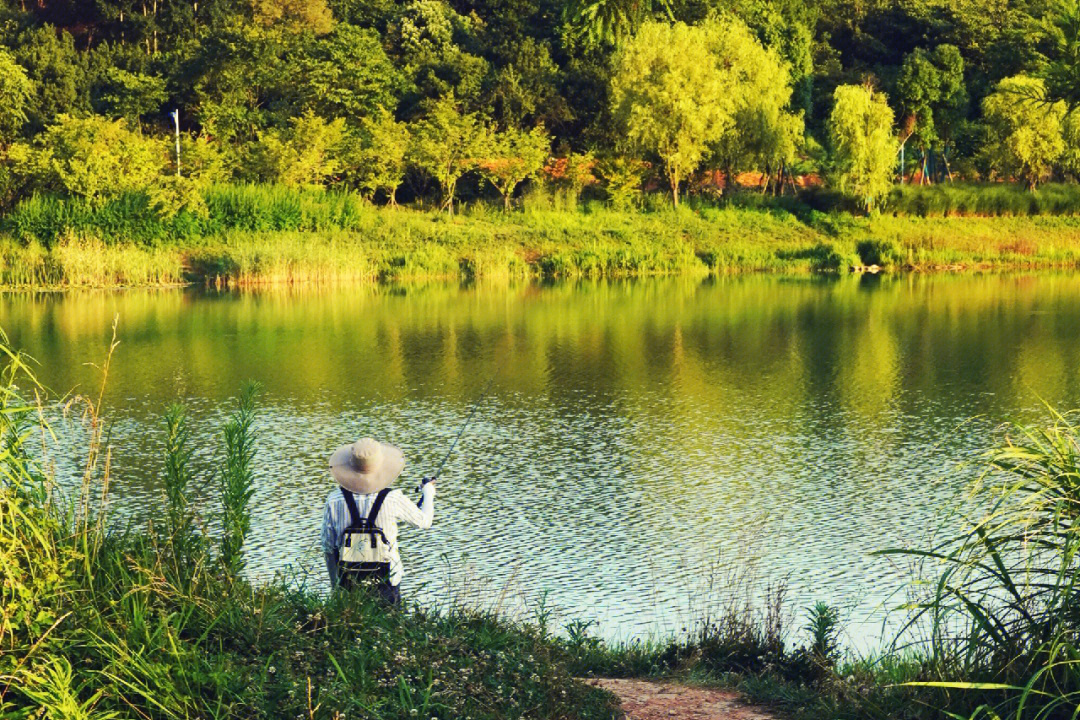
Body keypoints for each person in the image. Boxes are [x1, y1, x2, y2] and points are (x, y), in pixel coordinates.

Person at [321, 437, 435, 605]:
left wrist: (335, 587)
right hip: (387, 583)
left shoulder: (333, 500)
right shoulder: (392, 498)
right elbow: (424, 521)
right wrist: (428, 494)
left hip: (347, 585)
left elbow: (328, 547)